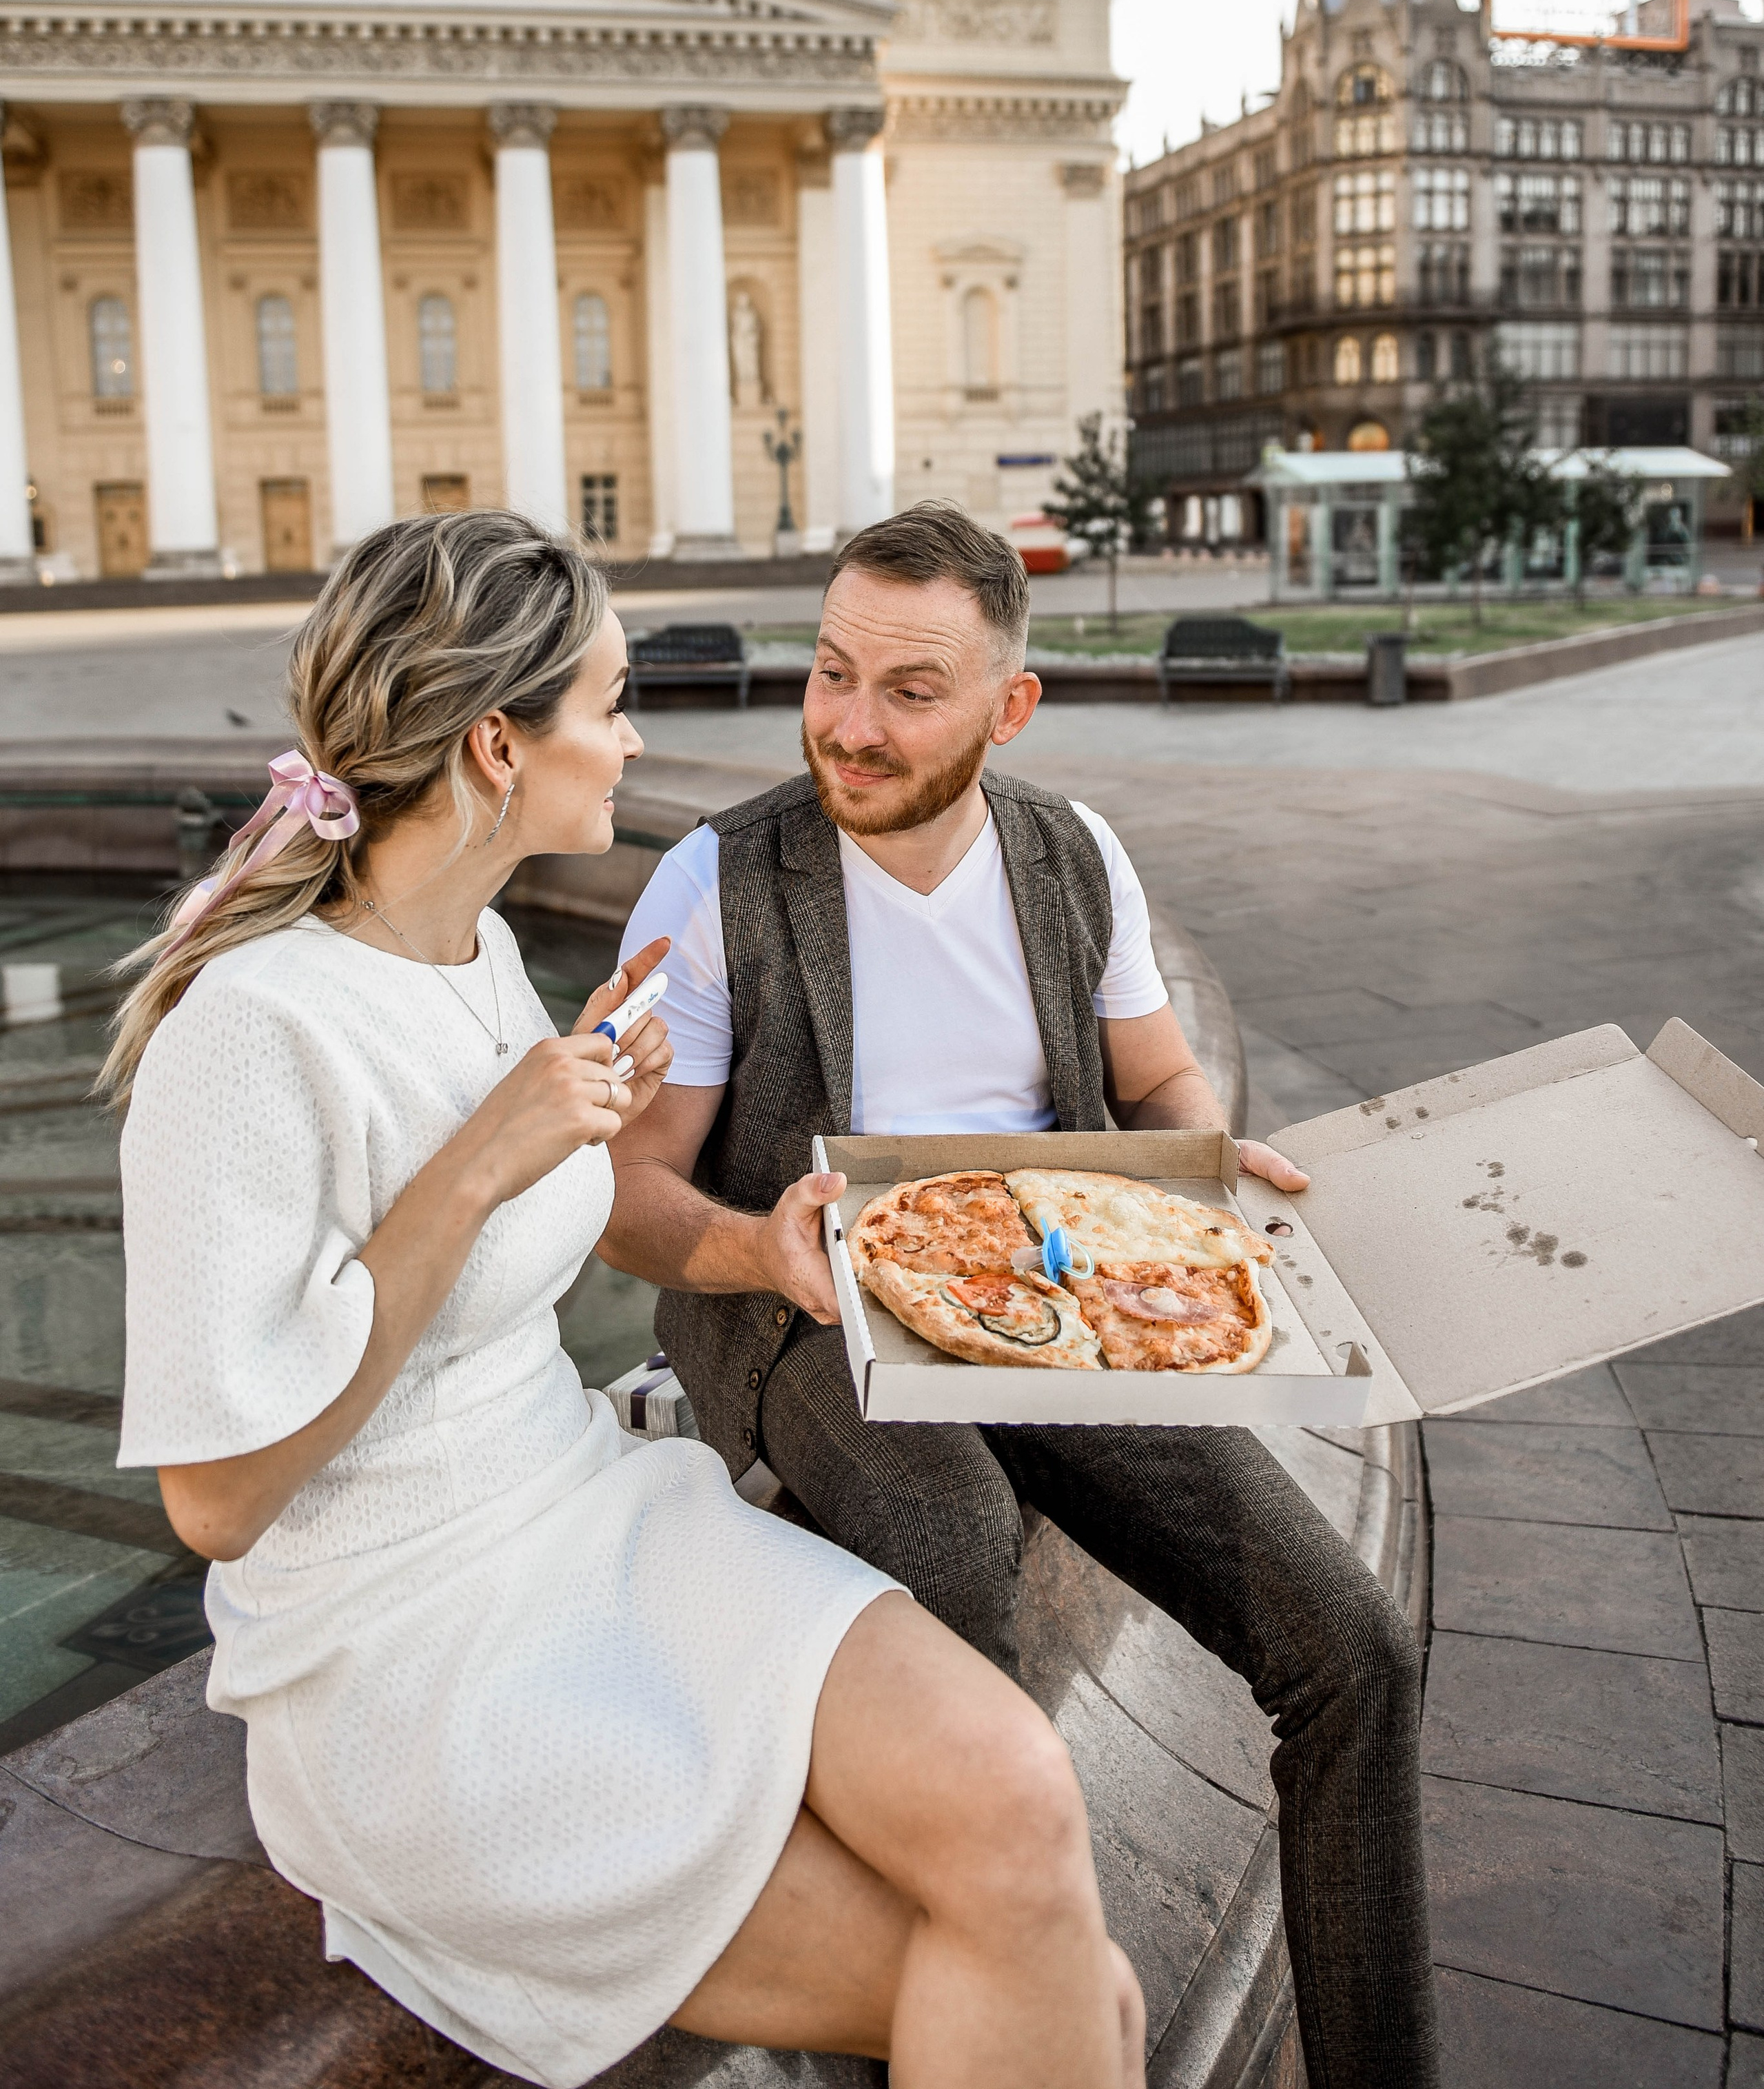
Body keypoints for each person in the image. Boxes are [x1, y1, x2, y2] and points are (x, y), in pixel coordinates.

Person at [110, 511, 1146, 2089]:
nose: (635, 736)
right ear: (495, 745)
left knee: (1019, 1792)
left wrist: (574, 1092)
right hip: (415, 1647)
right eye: (606, 703)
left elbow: (499, 1241)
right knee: (1058, 1980)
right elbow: (220, 1497)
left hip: (594, 1514)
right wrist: (479, 1160)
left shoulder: (474, 956)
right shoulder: (245, 1032)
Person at [611, 500, 1439, 2089]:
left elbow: (1157, 1074)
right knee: (950, 1550)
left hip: (1047, 1291)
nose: (849, 725)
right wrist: (756, 1251)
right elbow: (630, 1196)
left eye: (908, 692)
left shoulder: (1070, 852)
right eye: (832, 670)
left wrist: (1203, 1164)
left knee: (1354, 1649)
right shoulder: (717, 881)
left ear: (1009, 704)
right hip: (806, 1308)